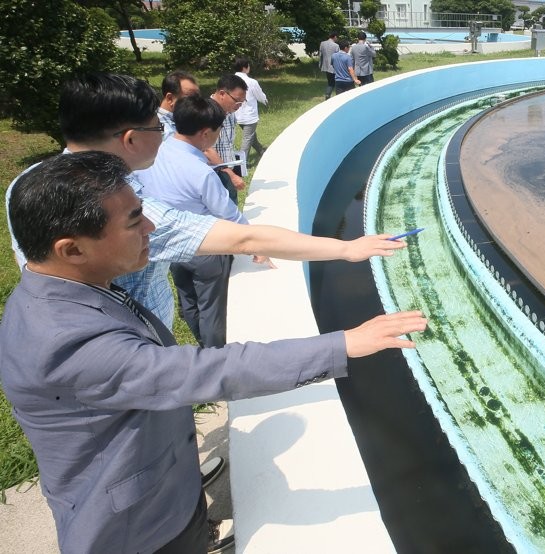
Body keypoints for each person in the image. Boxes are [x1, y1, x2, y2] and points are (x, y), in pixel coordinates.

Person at [0, 151, 428, 554]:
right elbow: (207, 371)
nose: (150, 227)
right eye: (134, 222)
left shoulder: (60, 290)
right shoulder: (64, 341)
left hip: (158, 485)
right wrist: (344, 343)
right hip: (137, 528)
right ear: (71, 249)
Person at [6, 73, 409, 350]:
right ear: (130, 139)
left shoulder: (27, 184)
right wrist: (347, 249)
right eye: (157, 128)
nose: (165, 137)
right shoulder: (117, 209)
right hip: (128, 347)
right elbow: (243, 236)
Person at [137, 95, 248, 348]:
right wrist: (258, 246)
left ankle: (199, 341)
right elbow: (229, 214)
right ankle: (213, 355)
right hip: (206, 248)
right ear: (206, 133)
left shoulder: (157, 152)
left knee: (188, 299)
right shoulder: (200, 173)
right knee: (212, 308)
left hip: (170, 245)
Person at [207, 74, 248, 203]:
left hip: (227, 171)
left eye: (242, 102)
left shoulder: (230, 113)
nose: (239, 105)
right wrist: (230, 174)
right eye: (237, 101)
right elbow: (206, 149)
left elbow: (227, 144)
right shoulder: (205, 113)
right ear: (222, 93)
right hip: (213, 175)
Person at [232, 56, 268, 162]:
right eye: (248, 66)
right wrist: (265, 101)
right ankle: (241, 165)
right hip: (248, 115)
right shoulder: (251, 81)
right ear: (245, 67)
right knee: (247, 138)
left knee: (251, 135)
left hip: (236, 114)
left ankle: (261, 150)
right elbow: (259, 95)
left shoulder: (230, 80)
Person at [157, 70, 200, 140]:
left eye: (198, 97)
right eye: (190, 98)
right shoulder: (164, 131)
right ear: (170, 98)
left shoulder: (184, 120)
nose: (197, 102)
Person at [319, 31, 341, 100]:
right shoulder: (336, 45)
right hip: (334, 66)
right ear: (334, 37)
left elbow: (320, 55)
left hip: (325, 66)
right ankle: (334, 95)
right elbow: (338, 57)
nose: (337, 39)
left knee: (330, 82)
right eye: (337, 37)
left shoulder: (322, 43)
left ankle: (328, 95)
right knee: (335, 82)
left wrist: (320, 64)